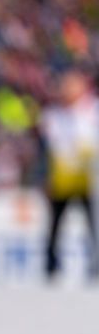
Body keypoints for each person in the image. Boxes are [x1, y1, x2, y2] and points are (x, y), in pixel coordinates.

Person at [39, 69, 99, 281]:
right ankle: (51, 265)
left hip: (88, 180)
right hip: (62, 179)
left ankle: (95, 265)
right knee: (55, 225)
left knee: (93, 224)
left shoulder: (92, 110)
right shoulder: (54, 114)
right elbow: (49, 149)